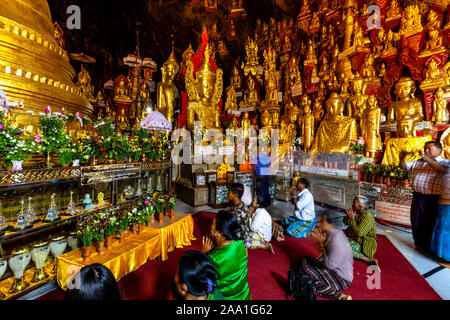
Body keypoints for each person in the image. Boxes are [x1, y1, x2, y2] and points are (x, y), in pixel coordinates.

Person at [400, 141, 447, 253]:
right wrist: (401, 158)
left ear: (439, 150)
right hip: (417, 195)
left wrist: (426, 158)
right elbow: (404, 167)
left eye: (429, 149)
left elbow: (441, 170)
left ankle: (428, 247)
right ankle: (419, 244)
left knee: (429, 222)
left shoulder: (444, 162)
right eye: (425, 148)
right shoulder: (419, 161)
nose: (426, 151)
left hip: (432, 198)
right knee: (416, 221)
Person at [299, 212, 353, 300]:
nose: (320, 223)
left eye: (322, 221)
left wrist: (321, 244)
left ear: (331, 225)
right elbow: (324, 256)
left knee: (308, 278)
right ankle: (310, 280)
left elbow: (329, 265)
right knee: (305, 259)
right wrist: (320, 242)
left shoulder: (337, 242)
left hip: (341, 278)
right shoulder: (332, 233)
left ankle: (340, 296)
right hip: (331, 268)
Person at [202, 210, 251, 300]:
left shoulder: (215, 259)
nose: (211, 225)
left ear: (219, 234)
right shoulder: (239, 243)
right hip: (243, 295)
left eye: (213, 223)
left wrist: (203, 255)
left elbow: (205, 282)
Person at [343, 196, 379, 270]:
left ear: (362, 207)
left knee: (341, 248)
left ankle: (368, 260)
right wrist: (349, 217)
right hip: (353, 238)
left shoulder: (368, 217)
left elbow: (360, 233)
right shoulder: (356, 211)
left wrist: (352, 219)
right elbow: (345, 221)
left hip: (364, 243)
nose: (352, 204)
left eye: (354, 202)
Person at [431, 160, 450, 267]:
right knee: (443, 230)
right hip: (445, 201)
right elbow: (439, 168)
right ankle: (444, 255)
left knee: (448, 232)